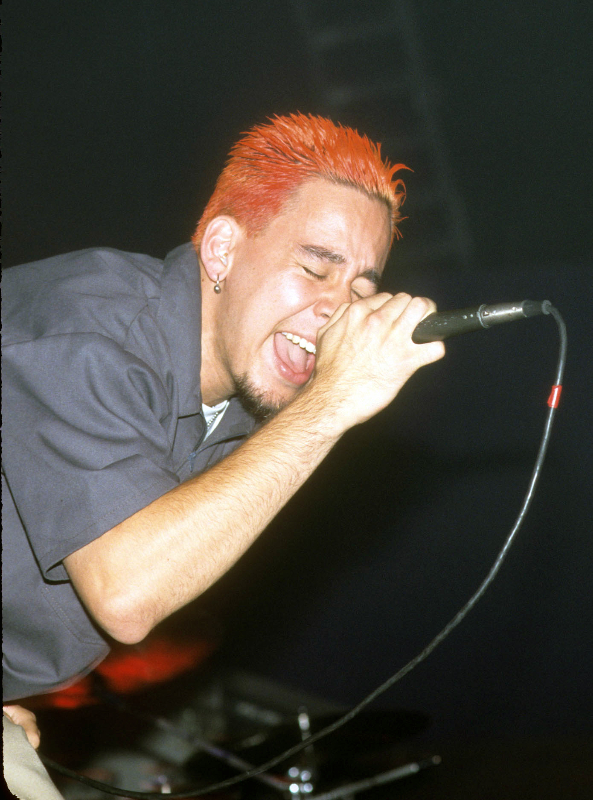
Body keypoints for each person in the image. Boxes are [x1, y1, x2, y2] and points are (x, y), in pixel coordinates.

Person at [2, 114, 446, 798]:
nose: (338, 311)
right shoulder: (86, 331)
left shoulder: (243, 417)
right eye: (314, 269)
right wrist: (332, 405)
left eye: (360, 290)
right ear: (221, 250)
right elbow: (127, 592)